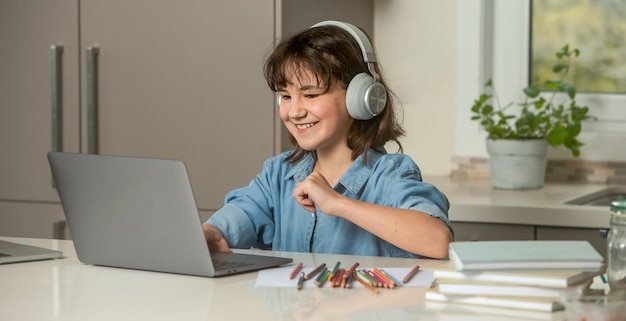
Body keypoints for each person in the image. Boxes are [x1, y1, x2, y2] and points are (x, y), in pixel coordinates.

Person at [203, 21, 453, 259]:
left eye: (310, 95)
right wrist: (210, 234)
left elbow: (438, 240)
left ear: (360, 98)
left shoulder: (388, 176)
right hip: (293, 306)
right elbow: (236, 218)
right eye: (285, 96)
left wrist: (338, 203)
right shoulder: (278, 175)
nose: (294, 112)